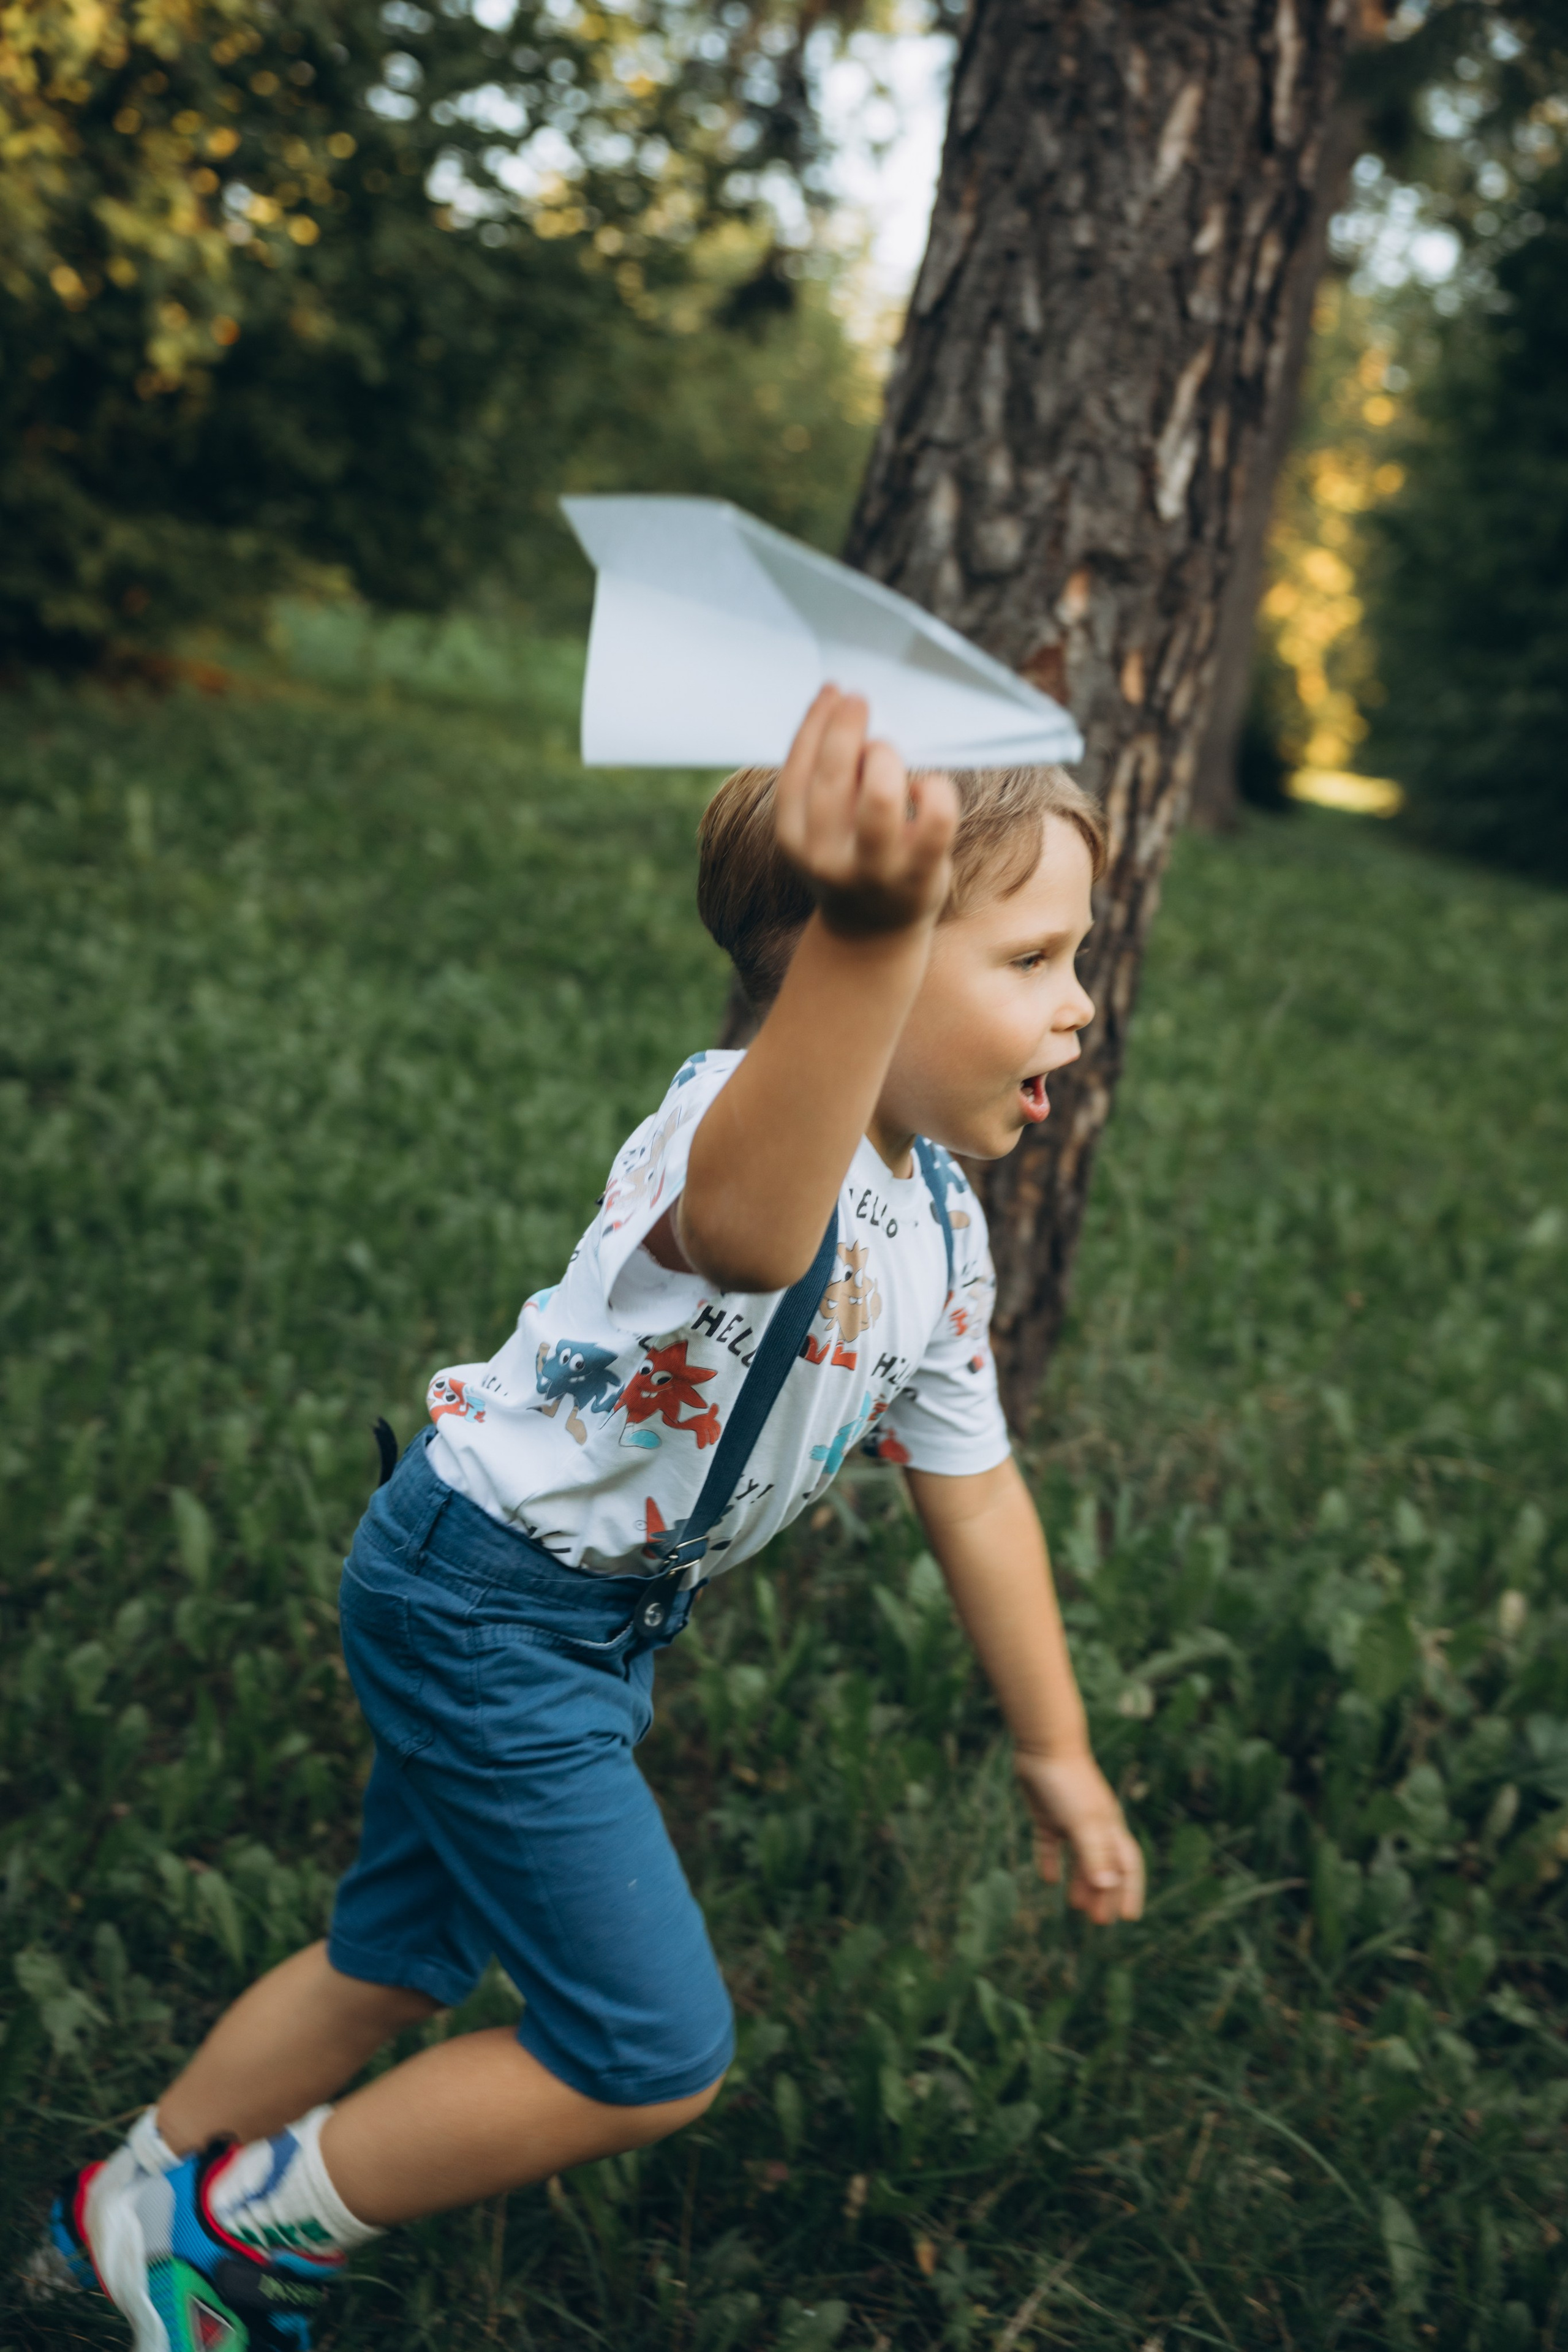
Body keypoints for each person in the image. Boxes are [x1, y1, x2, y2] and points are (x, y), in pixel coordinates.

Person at [43, 687, 1144, 2351]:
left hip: (539, 1614)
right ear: (860, 950)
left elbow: (975, 1490)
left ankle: (120, 2203)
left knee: (397, 1954)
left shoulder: (945, 1227)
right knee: (648, 2050)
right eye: (1031, 959)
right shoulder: (737, 1132)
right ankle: (226, 2226)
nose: (1079, 1009)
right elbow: (758, 1233)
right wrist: (870, 926)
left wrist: (1058, 1752)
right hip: (488, 1608)